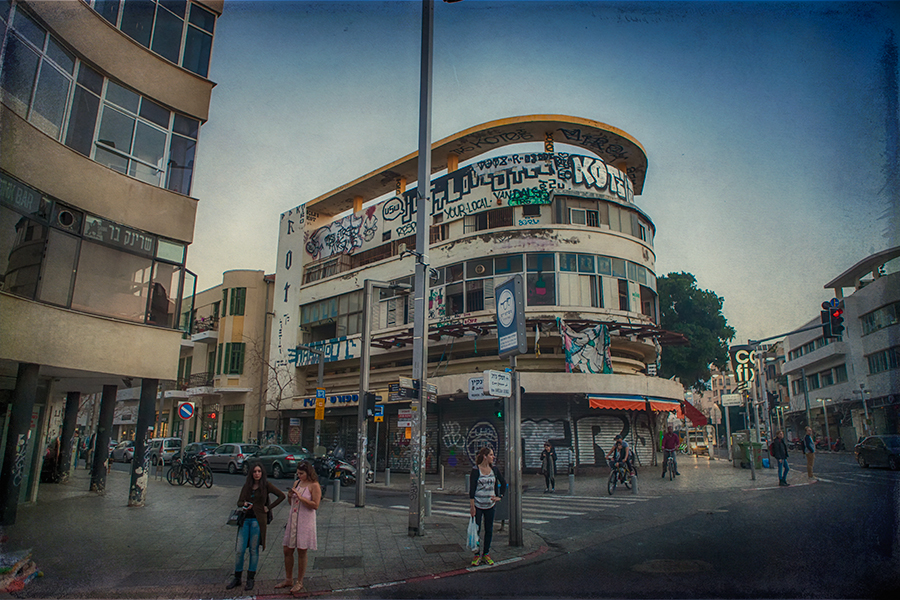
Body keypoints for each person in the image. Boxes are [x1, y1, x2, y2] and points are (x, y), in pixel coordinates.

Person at [227, 460, 286, 591]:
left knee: (253, 550)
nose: (257, 474)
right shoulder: (247, 485)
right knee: (239, 550)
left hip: (257, 521)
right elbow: (239, 502)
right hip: (245, 519)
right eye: (254, 471)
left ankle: (250, 578)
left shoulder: (266, 485)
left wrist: (268, 508)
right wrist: (244, 504)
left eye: (259, 471)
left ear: (262, 473)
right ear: (251, 473)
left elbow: (282, 496)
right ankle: (237, 577)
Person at [277, 461, 321, 595]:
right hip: (294, 518)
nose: (299, 476)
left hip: (305, 520)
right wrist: (290, 496)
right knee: (287, 549)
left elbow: (315, 505)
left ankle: (300, 581)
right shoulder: (296, 483)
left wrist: (301, 498)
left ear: (308, 473)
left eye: (302, 474)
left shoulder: (314, 486)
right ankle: (288, 578)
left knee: (302, 550)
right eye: (298, 474)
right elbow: (291, 502)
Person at [468, 447, 506, 567]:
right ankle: (476, 554)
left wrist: (500, 496)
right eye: (491, 455)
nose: (493, 457)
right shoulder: (476, 470)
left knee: (489, 530)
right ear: (485, 456)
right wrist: (472, 506)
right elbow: (472, 489)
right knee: (477, 530)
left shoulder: (494, 469)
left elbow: (503, 482)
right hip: (478, 504)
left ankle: (486, 553)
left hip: (490, 504)